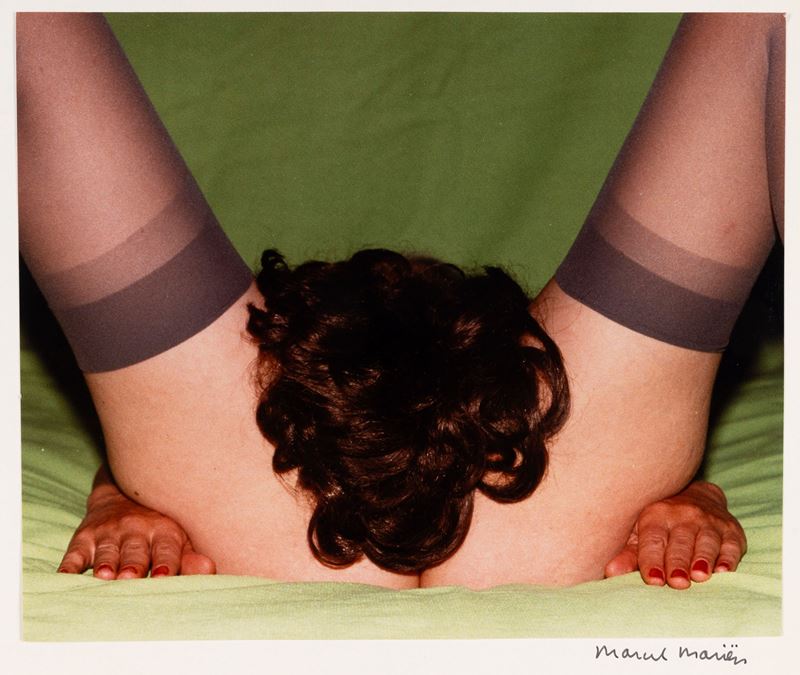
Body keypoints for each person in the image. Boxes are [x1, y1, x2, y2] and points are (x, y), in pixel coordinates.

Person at [17, 12, 781, 590]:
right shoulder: (546, 398)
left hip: (272, 486)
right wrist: (690, 487)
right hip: (543, 473)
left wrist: (117, 490)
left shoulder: (253, 405)